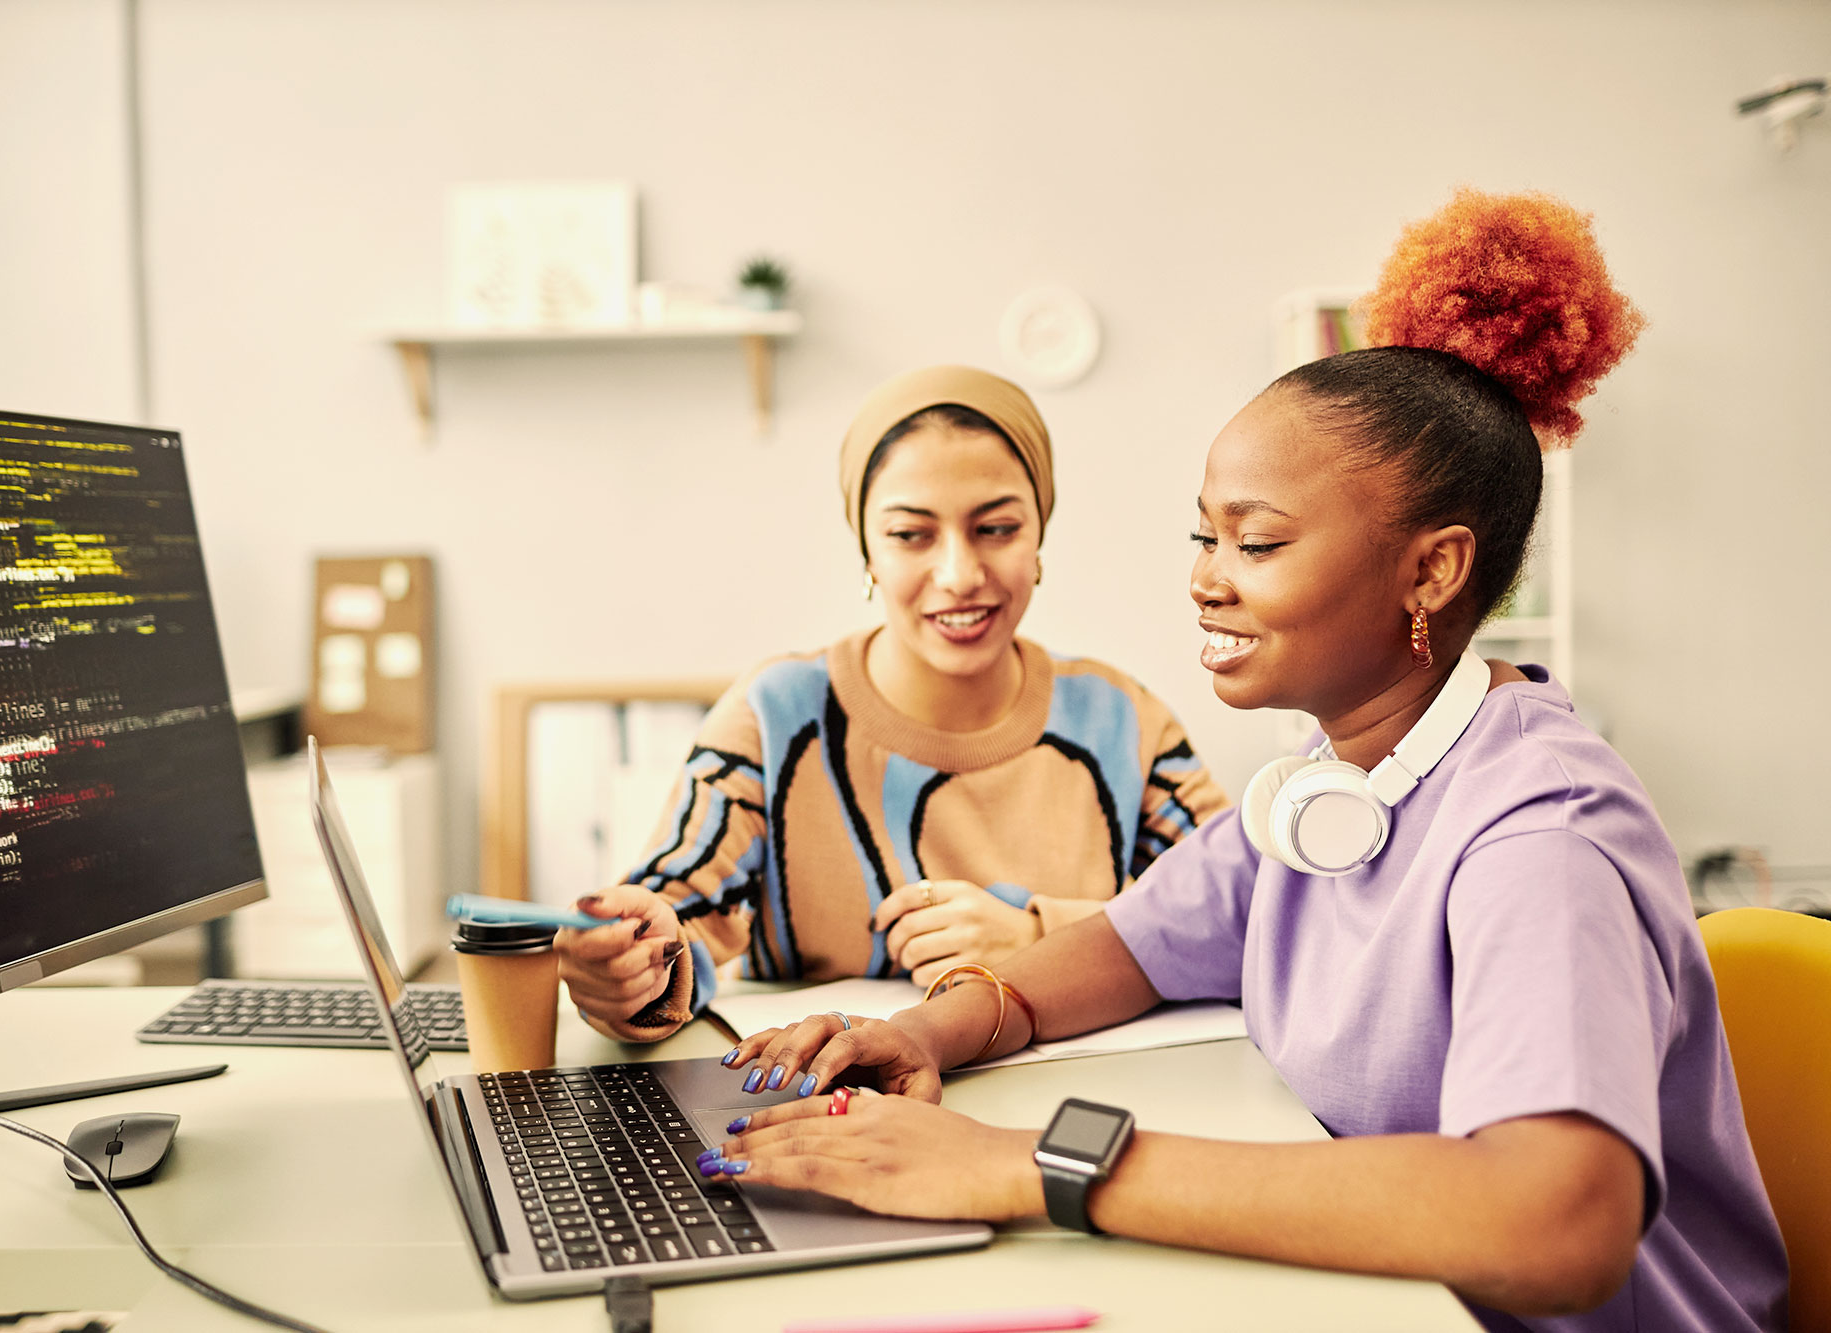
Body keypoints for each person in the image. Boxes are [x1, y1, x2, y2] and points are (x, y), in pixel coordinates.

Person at [699, 191, 1789, 1332]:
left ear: (1430, 572)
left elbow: (1554, 1224)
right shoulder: (1328, 792)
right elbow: (1118, 951)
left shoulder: (1537, 837)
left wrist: (1028, 1164)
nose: (1206, 577)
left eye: (1256, 542)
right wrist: (920, 1033)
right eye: (1202, 536)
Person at [556, 365, 1227, 1042]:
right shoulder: (778, 716)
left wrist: (1039, 936)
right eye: (912, 535)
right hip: (822, 1114)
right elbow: (672, 925)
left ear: (1039, 535)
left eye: (996, 528)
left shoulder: (1121, 720)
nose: (961, 575)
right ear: (867, 551)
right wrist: (628, 971)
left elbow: (1252, 924)